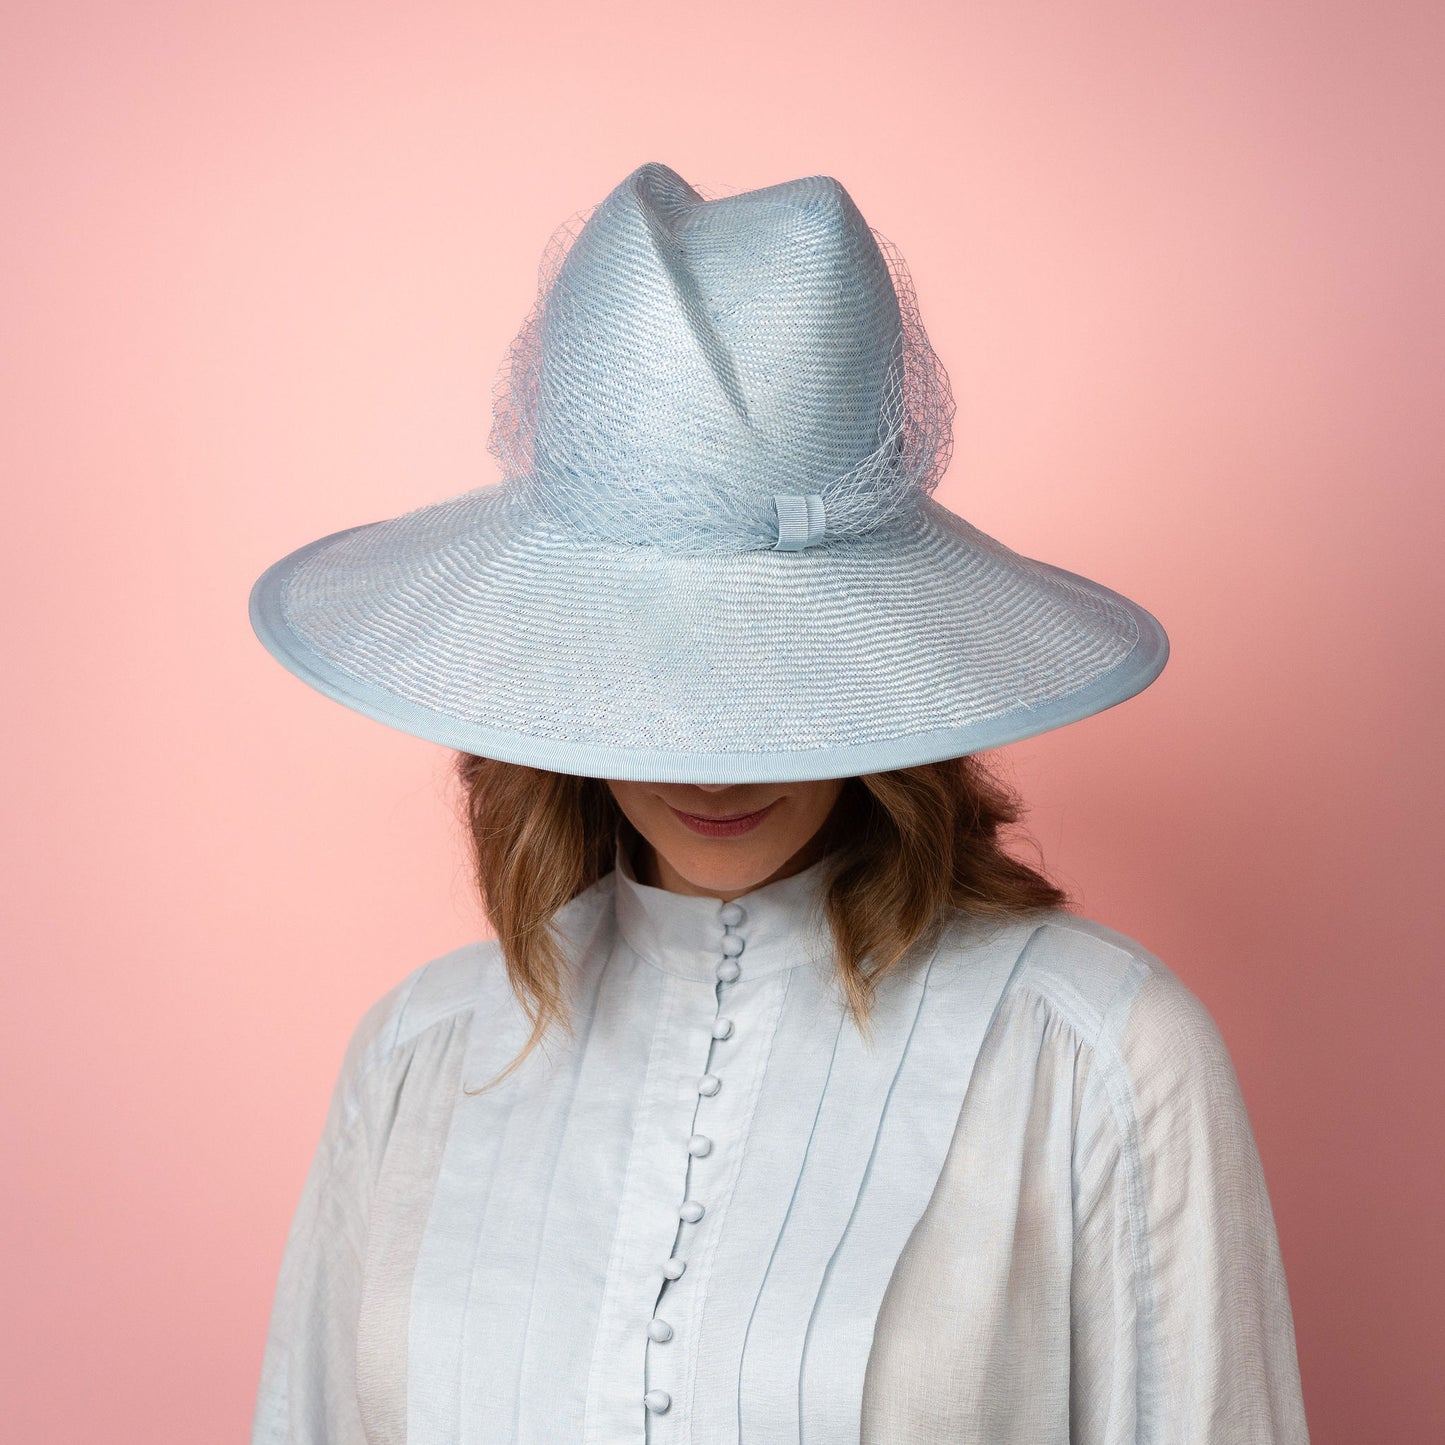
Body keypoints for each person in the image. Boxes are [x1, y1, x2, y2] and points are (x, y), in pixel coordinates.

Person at [246, 161, 1310, 1443]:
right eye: (653, 668)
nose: (715, 765)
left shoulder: (1095, 1054)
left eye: (777, 671)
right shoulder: (416, 1057)